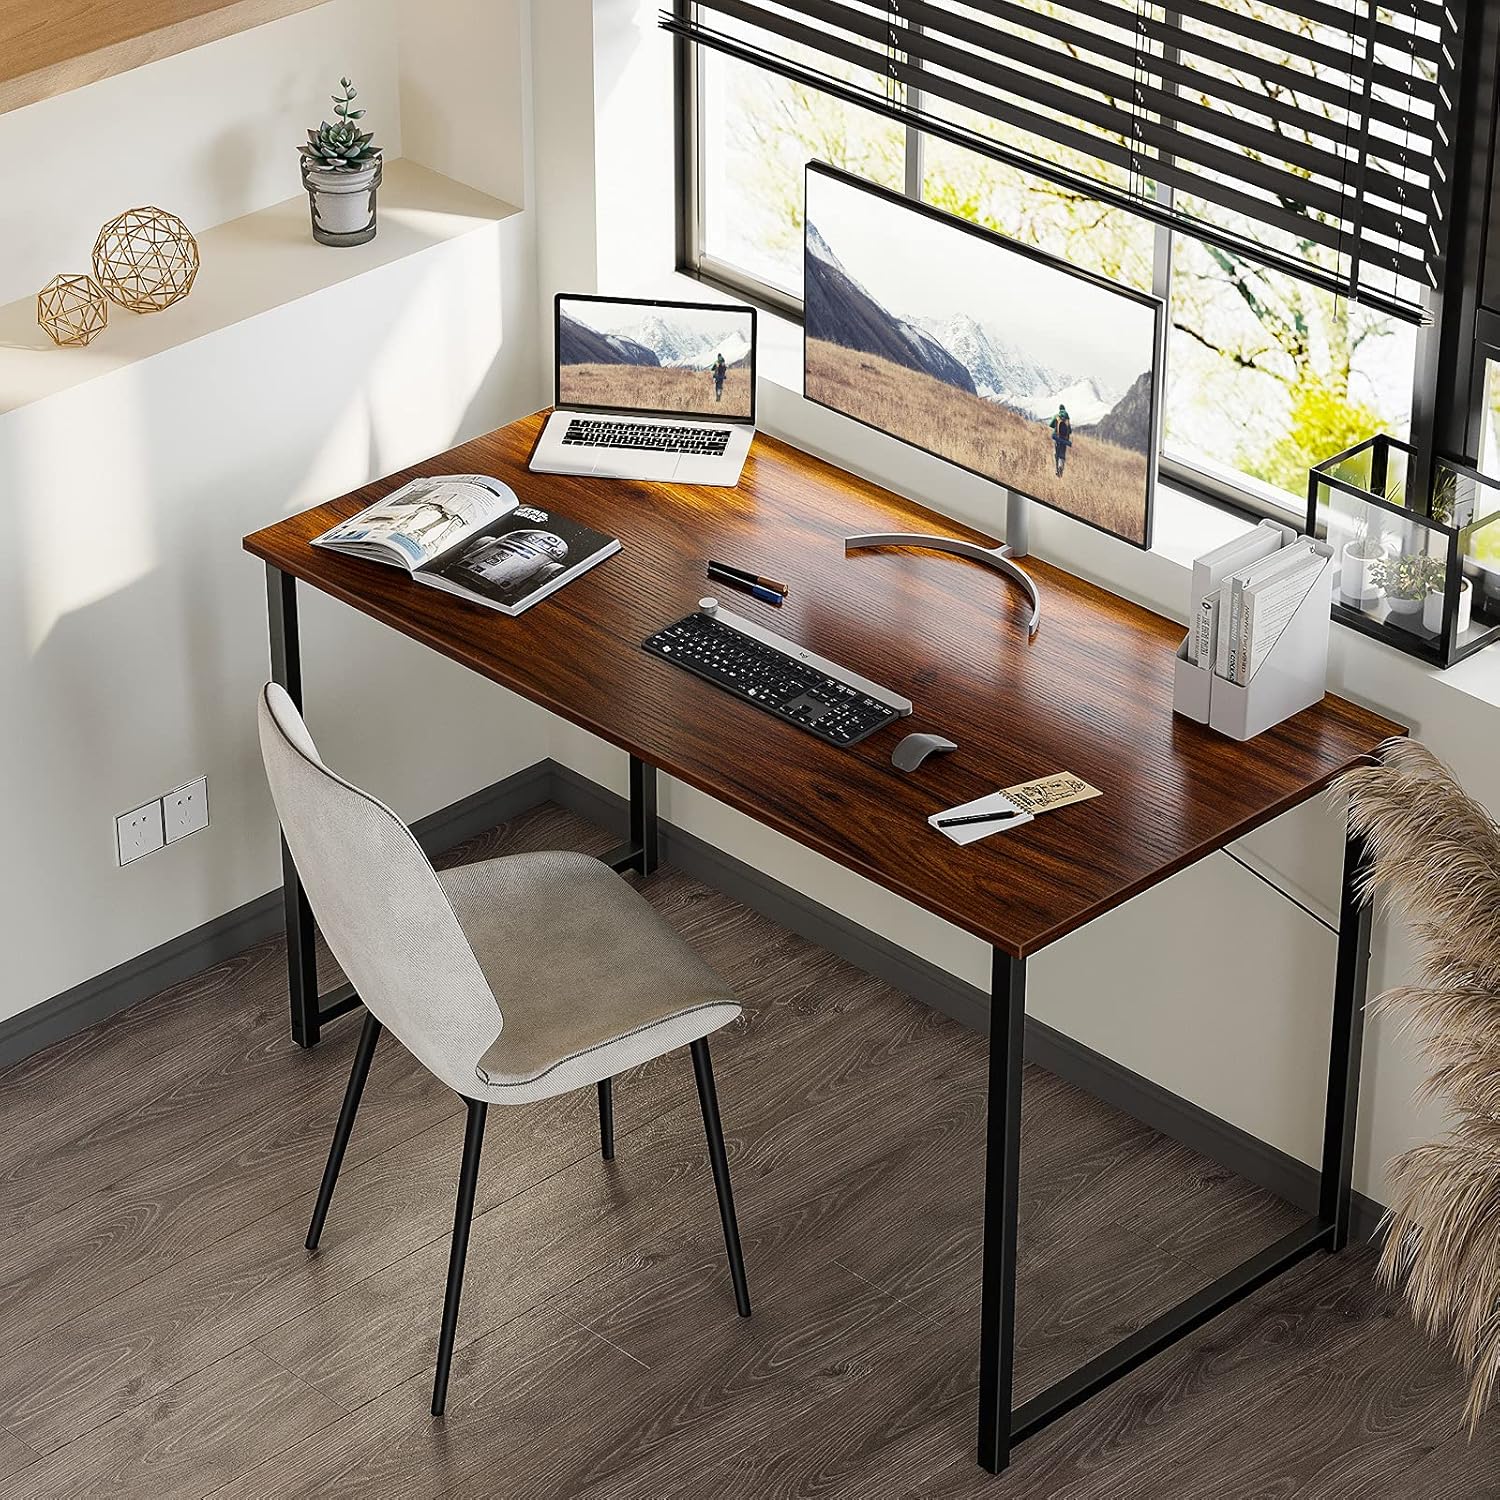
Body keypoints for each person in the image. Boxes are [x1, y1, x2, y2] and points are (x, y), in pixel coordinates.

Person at [1049, 404, 1072, 477]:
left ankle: (1057, 470)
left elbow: (1050, 425)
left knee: (1056, 454)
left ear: (1059, 409)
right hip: (1064, 439)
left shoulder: (1057, 416)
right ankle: (1060, 467)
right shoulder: (1067, 419)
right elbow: (1070, 431)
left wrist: (1056, 426)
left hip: (1057, 438)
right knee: (1062, 454)